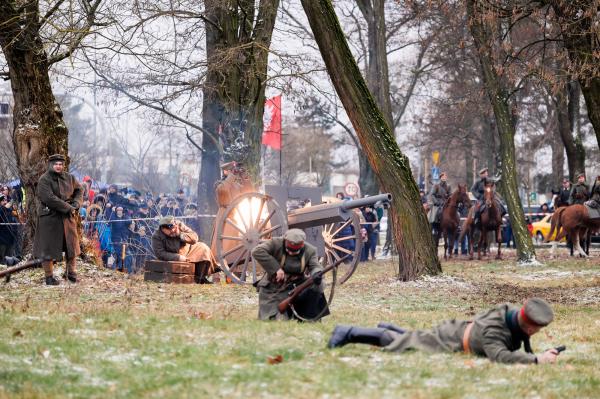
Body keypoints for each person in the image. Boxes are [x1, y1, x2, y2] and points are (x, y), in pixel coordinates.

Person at [328, 298, 560, 365]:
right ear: (527, 325)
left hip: (457, 330)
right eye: (535, 329)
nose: (536, 332)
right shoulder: (494, 331)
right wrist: (537, 360)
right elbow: (499, 356)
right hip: (454, 339)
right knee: (406, 344)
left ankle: (389, 327)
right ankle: (348, 332)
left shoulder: (509, 313)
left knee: (414, 338)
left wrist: (535, 354)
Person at [251, 229, 327, 321]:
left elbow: (315, 266)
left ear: (302, 245)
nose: (291, 253)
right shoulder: (275, 243)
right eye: (289, 250)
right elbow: (256, 251)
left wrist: (316, 274)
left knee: (317, 284)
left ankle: (309, 316)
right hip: (274, 288)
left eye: (295, 251)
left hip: (296, 287)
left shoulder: (310, 250)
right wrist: (276, 269)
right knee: (273, 320)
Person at [32, 154, 83, 285]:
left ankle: (71, 273)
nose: (58, 166)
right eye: (56, 164)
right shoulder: (44, 179)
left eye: (61, 164)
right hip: (49, 218)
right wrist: (69, 207)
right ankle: (49, 277)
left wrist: (76, 204)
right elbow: (49, 198)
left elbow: (79, 190)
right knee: (47, 248)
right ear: (51, 165)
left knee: (71, 246)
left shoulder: (70, 177)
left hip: (67, 217)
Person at [151, 215, 217, 284]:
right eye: (169, 230)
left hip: (189, 251)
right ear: (163, 229)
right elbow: (160, 253)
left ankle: (201, 278)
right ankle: (192, 278)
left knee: (203, 248)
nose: (172, 230)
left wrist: (180, 234)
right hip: (173, 256)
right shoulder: (156, 236)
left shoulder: (179, 225)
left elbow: (195, 238)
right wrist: (178, 257)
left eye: (173, 228)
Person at [0, 194, 17, 262]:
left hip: (10, 238)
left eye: (5, 200)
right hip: (1, 239)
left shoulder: (9, 210)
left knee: (9, 258)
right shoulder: (2, 209)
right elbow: (2, 210)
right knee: (2, 259)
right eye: (2, 200)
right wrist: (11, 202)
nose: (4, 202)